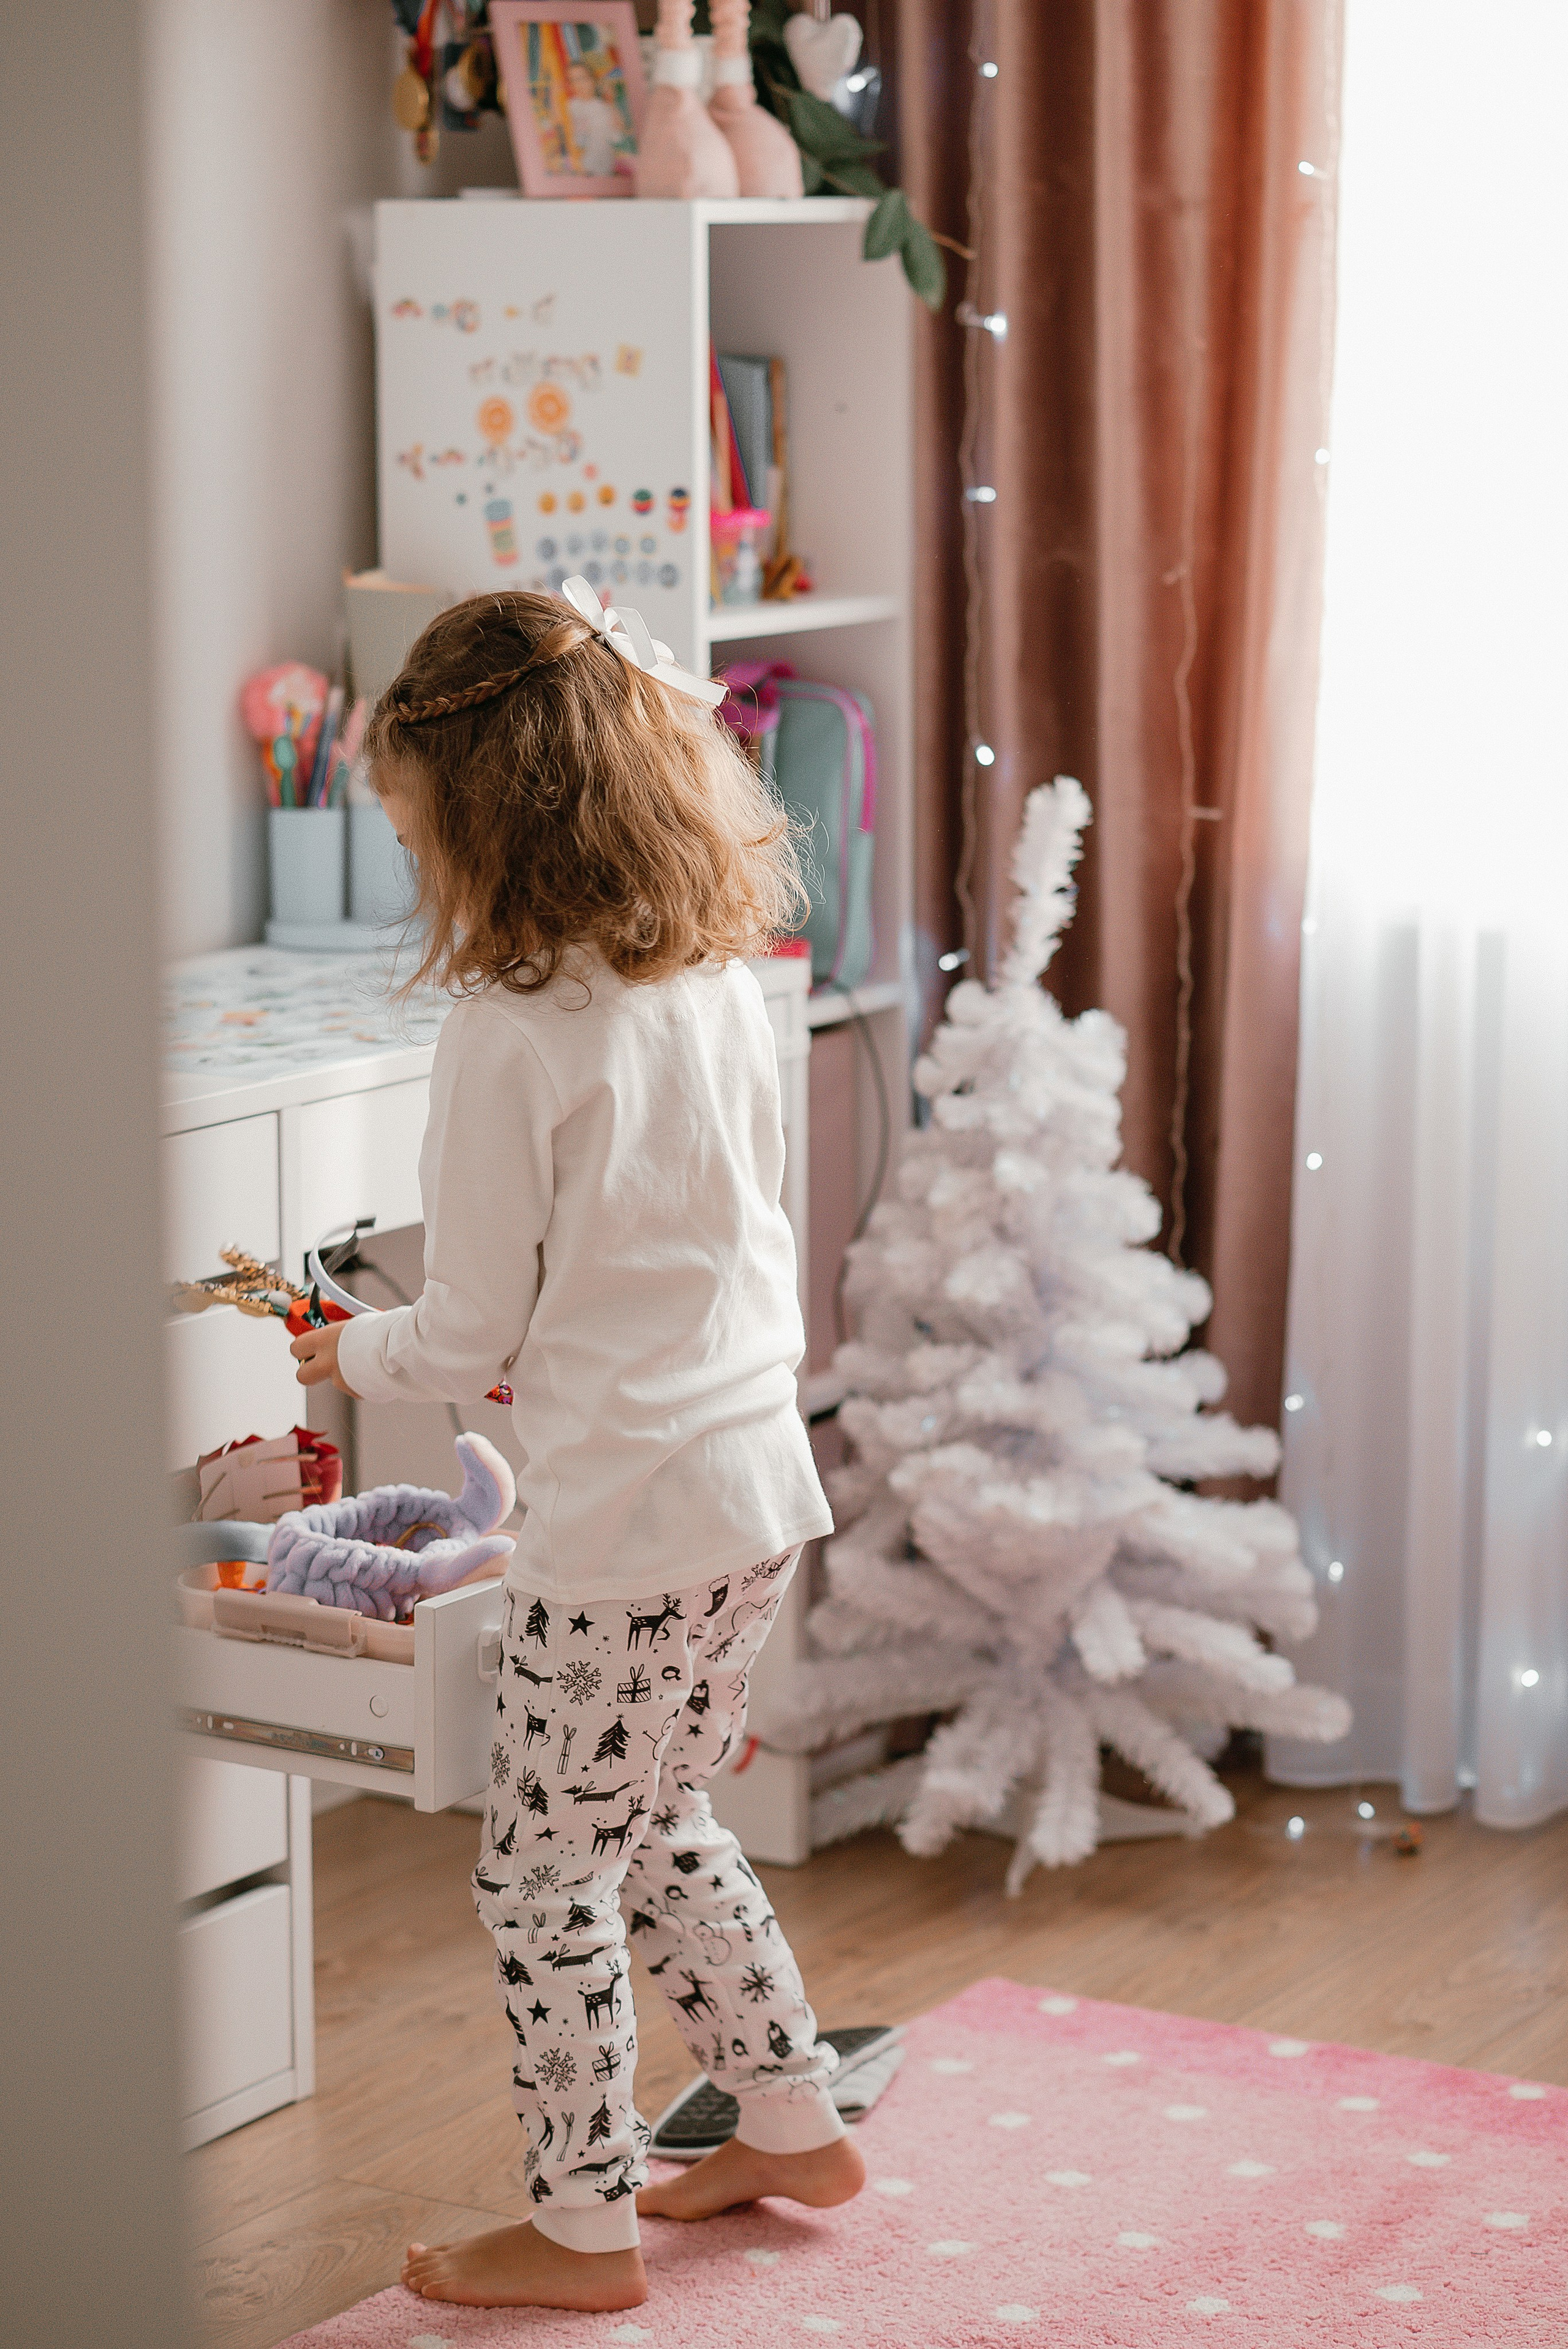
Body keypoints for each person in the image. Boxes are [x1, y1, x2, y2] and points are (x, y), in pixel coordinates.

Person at [290, 584, 860, 2313]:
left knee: (539, 1873)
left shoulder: (506, 1034)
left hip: (623, 1523)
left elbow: (459, 1333)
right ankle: (788, 2114)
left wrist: (344, 1344)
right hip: (753, 1483)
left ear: (483, 819)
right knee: (661, 1809)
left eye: (412, 831)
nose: (414, 869)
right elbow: (702, 1237)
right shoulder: (709, 981)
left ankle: (581, 2223)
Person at [564, 58, 621, 178]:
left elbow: (617, 138)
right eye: (572, 80)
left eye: (581, 79)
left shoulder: (604, 109)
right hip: (578, 170)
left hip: (603, 171)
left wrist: (613, 107)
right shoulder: (569, 107)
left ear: (592, 80)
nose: (578, 85)